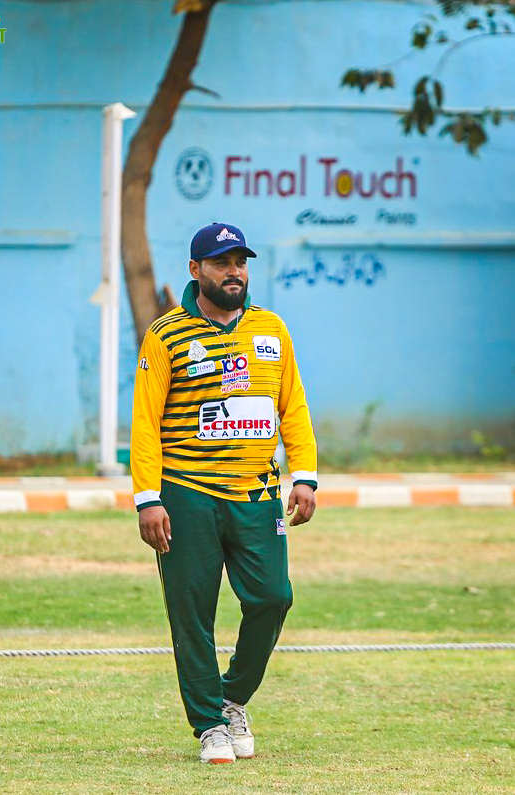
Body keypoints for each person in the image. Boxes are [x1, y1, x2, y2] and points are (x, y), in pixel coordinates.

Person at [131, 222, 317, 763]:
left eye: (240, 262)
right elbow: (145, 423)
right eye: (221, 262)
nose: (233, 272)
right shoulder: (166, 335)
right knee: (192, 610)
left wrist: (305, 474)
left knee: (273, 597)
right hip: (186, 493)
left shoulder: (271, 329)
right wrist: (147, 498)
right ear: (196, 270)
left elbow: (292, 406)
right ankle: (210, 725)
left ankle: (230, 698)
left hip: (256, 494)